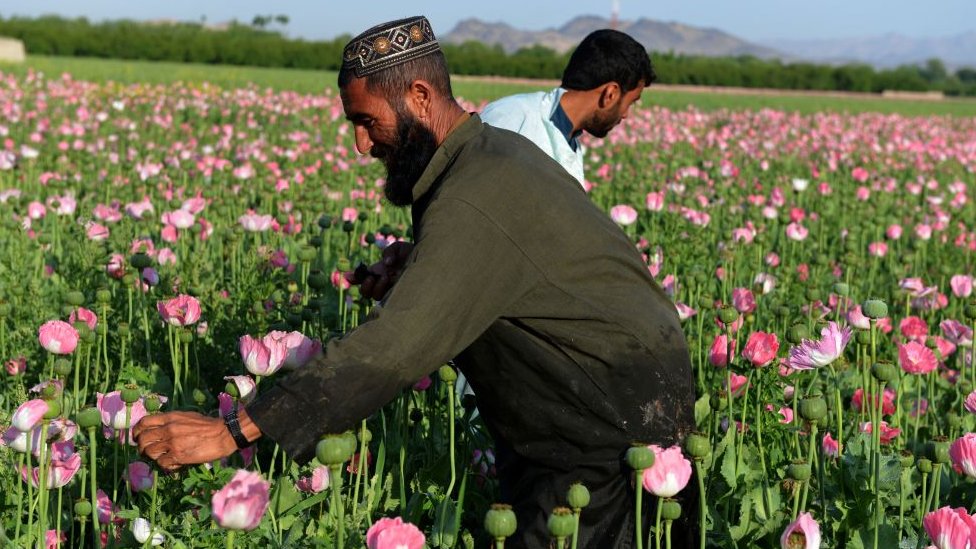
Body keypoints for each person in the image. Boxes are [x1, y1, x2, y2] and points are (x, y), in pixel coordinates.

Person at [134, 16, 695, 549]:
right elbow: (516, 263)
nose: (360, 145)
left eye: (367, 121)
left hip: (610, 423)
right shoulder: (484, 157)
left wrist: (231, 431)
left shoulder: (477, 192)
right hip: (587, 404)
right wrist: (422, 262)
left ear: (420, 97)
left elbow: (393, 348)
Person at [479, 29, 654, 185]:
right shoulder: (513, 116)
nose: (625, 115)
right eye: (630, 102)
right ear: (610, 94)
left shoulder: (570, 142)